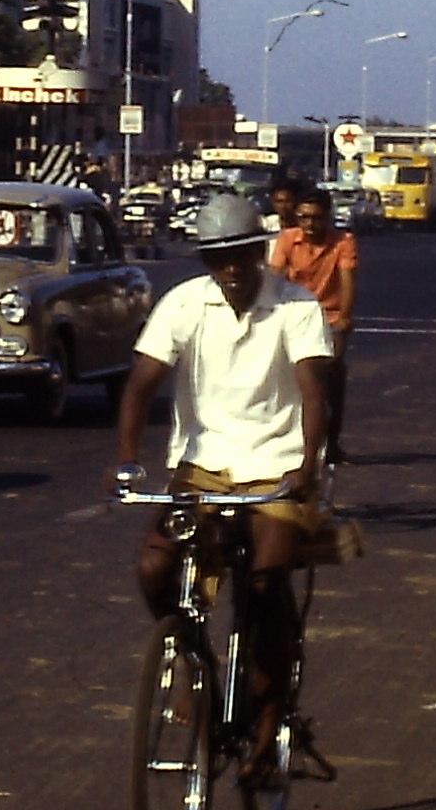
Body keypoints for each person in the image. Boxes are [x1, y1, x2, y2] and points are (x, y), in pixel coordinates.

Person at [117, 191, 336, 779]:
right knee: (155, 567)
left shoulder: (296, 307)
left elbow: (316, 393)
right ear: (206, 261)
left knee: (264, 587)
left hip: (275, 465)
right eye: (219, 259)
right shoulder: (183, 304)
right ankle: (194, 665)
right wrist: (128, 461)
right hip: (203, 466)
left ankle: (269, 715)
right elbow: (140, 385)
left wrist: (306, 467)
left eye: (241, 256)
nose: (232, 270)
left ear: (259, 252)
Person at [269, 186, 359, 463]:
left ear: (327, 217)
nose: (309, 224)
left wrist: (344, 318)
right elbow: (275, 277)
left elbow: (347, 282)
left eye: (316, 218)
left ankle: (331, 442)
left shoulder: (343, 241)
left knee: (332, 379)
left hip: (328, 317)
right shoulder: (287, 239)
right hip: (293, 315)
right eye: (304, 217)